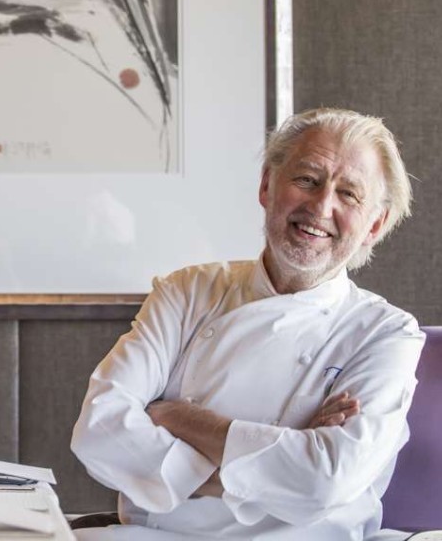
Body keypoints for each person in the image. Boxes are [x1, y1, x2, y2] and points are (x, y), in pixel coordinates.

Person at [70, 108, 425, 540]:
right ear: (266, 186)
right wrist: (277, 461)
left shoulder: (387, 333)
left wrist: (178, 418)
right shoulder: (187, 291)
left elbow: (325, 479)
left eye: (349, 193)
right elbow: (99, 430)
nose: (321, 206)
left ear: (375, 224)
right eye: (307, 180)